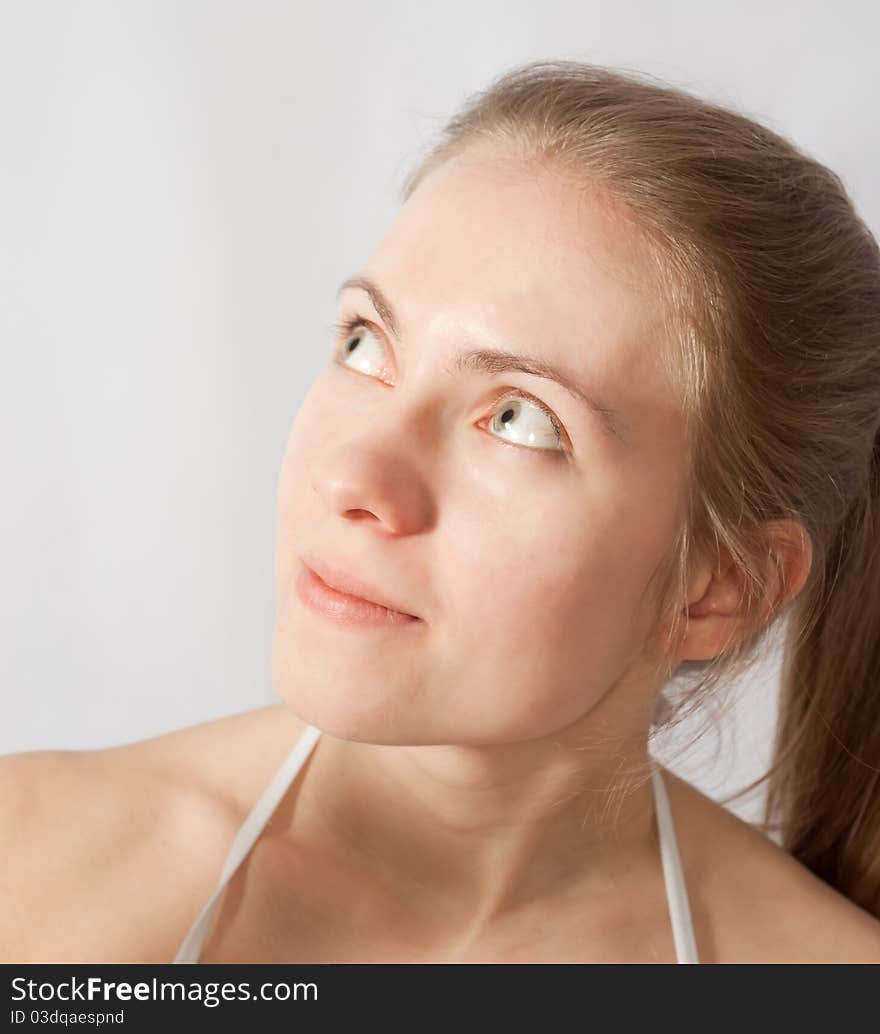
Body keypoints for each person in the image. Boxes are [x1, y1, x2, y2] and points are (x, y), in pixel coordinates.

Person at [3, 59, 880, 964]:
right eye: (364, 343)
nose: (354, 477)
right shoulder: (25, 872)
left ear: (718, 588)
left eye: (518, 418)